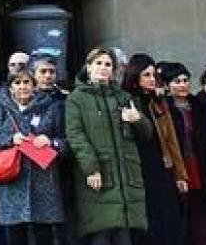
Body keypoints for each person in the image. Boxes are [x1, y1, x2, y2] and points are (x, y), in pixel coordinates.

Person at [65, 48, 152, 245]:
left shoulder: (123, 97)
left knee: (124, 236)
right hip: (99, 176)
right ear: (88, 67)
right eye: (98, 63)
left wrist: (137, 120)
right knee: (101, 236)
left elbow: (147, 134)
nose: (103, 68)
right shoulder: (76, 99)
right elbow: (75, 136)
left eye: (108, 65)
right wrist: (91, 168)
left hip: (125, 178)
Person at [0, 67, 65, 245]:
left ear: (35, 86)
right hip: (12, 183)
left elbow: (67, 142)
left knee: (44, 236)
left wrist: (50, 141)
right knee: (16, 236)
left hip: (44, 182)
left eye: (27, 82)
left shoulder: (51, 108)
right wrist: (9, 139)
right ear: (10, 88)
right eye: (17, 82)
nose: (22, 87)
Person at [124, 55, 188, 245]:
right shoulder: (128, 101)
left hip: (163, 167)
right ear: (135, 77)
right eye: (147, 75)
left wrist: (180, 174)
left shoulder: (158, 103)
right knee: (150, 225)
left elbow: (171, 141)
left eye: (153, 75)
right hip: (140, 169)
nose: (152, 79)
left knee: (169, 221)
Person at [163, 63, 206, 245]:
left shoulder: (199, 106)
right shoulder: (163, 108)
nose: (183, 84)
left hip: (200, 169)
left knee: (201, 221)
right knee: (180, 222)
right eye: (177, 81)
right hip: (178, 169)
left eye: (186, 80)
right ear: (168, 85)